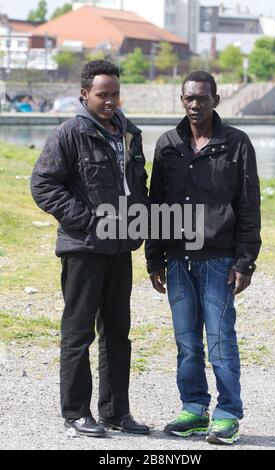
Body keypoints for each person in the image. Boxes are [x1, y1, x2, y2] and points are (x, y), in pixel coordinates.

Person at [31, 60, 150, 438]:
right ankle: (76, 413)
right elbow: (43, 185)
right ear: (85, 94)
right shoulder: (68, 134)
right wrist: (85, 219)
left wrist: (140, 221)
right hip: (83, 248)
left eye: (115, 93)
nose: (110, 101)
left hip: (120, 249)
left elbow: (138, 184)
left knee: (118, 333)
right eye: (103, 94)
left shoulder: (129, 134)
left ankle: (116, 412)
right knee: (79, 332)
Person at [145, 71, 261, 445]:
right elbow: (156, 205)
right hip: (178, 260)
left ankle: (228, 414)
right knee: (187, 342)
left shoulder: (236, 144)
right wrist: (153, 258)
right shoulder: (167, 144)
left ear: (216, 99)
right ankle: (194, 409)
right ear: (181, 100)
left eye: (202, 98)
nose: (195, 105)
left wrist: (245, 261)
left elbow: (248, 205)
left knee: (221, 341)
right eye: (188, 98)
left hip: (219, 259)